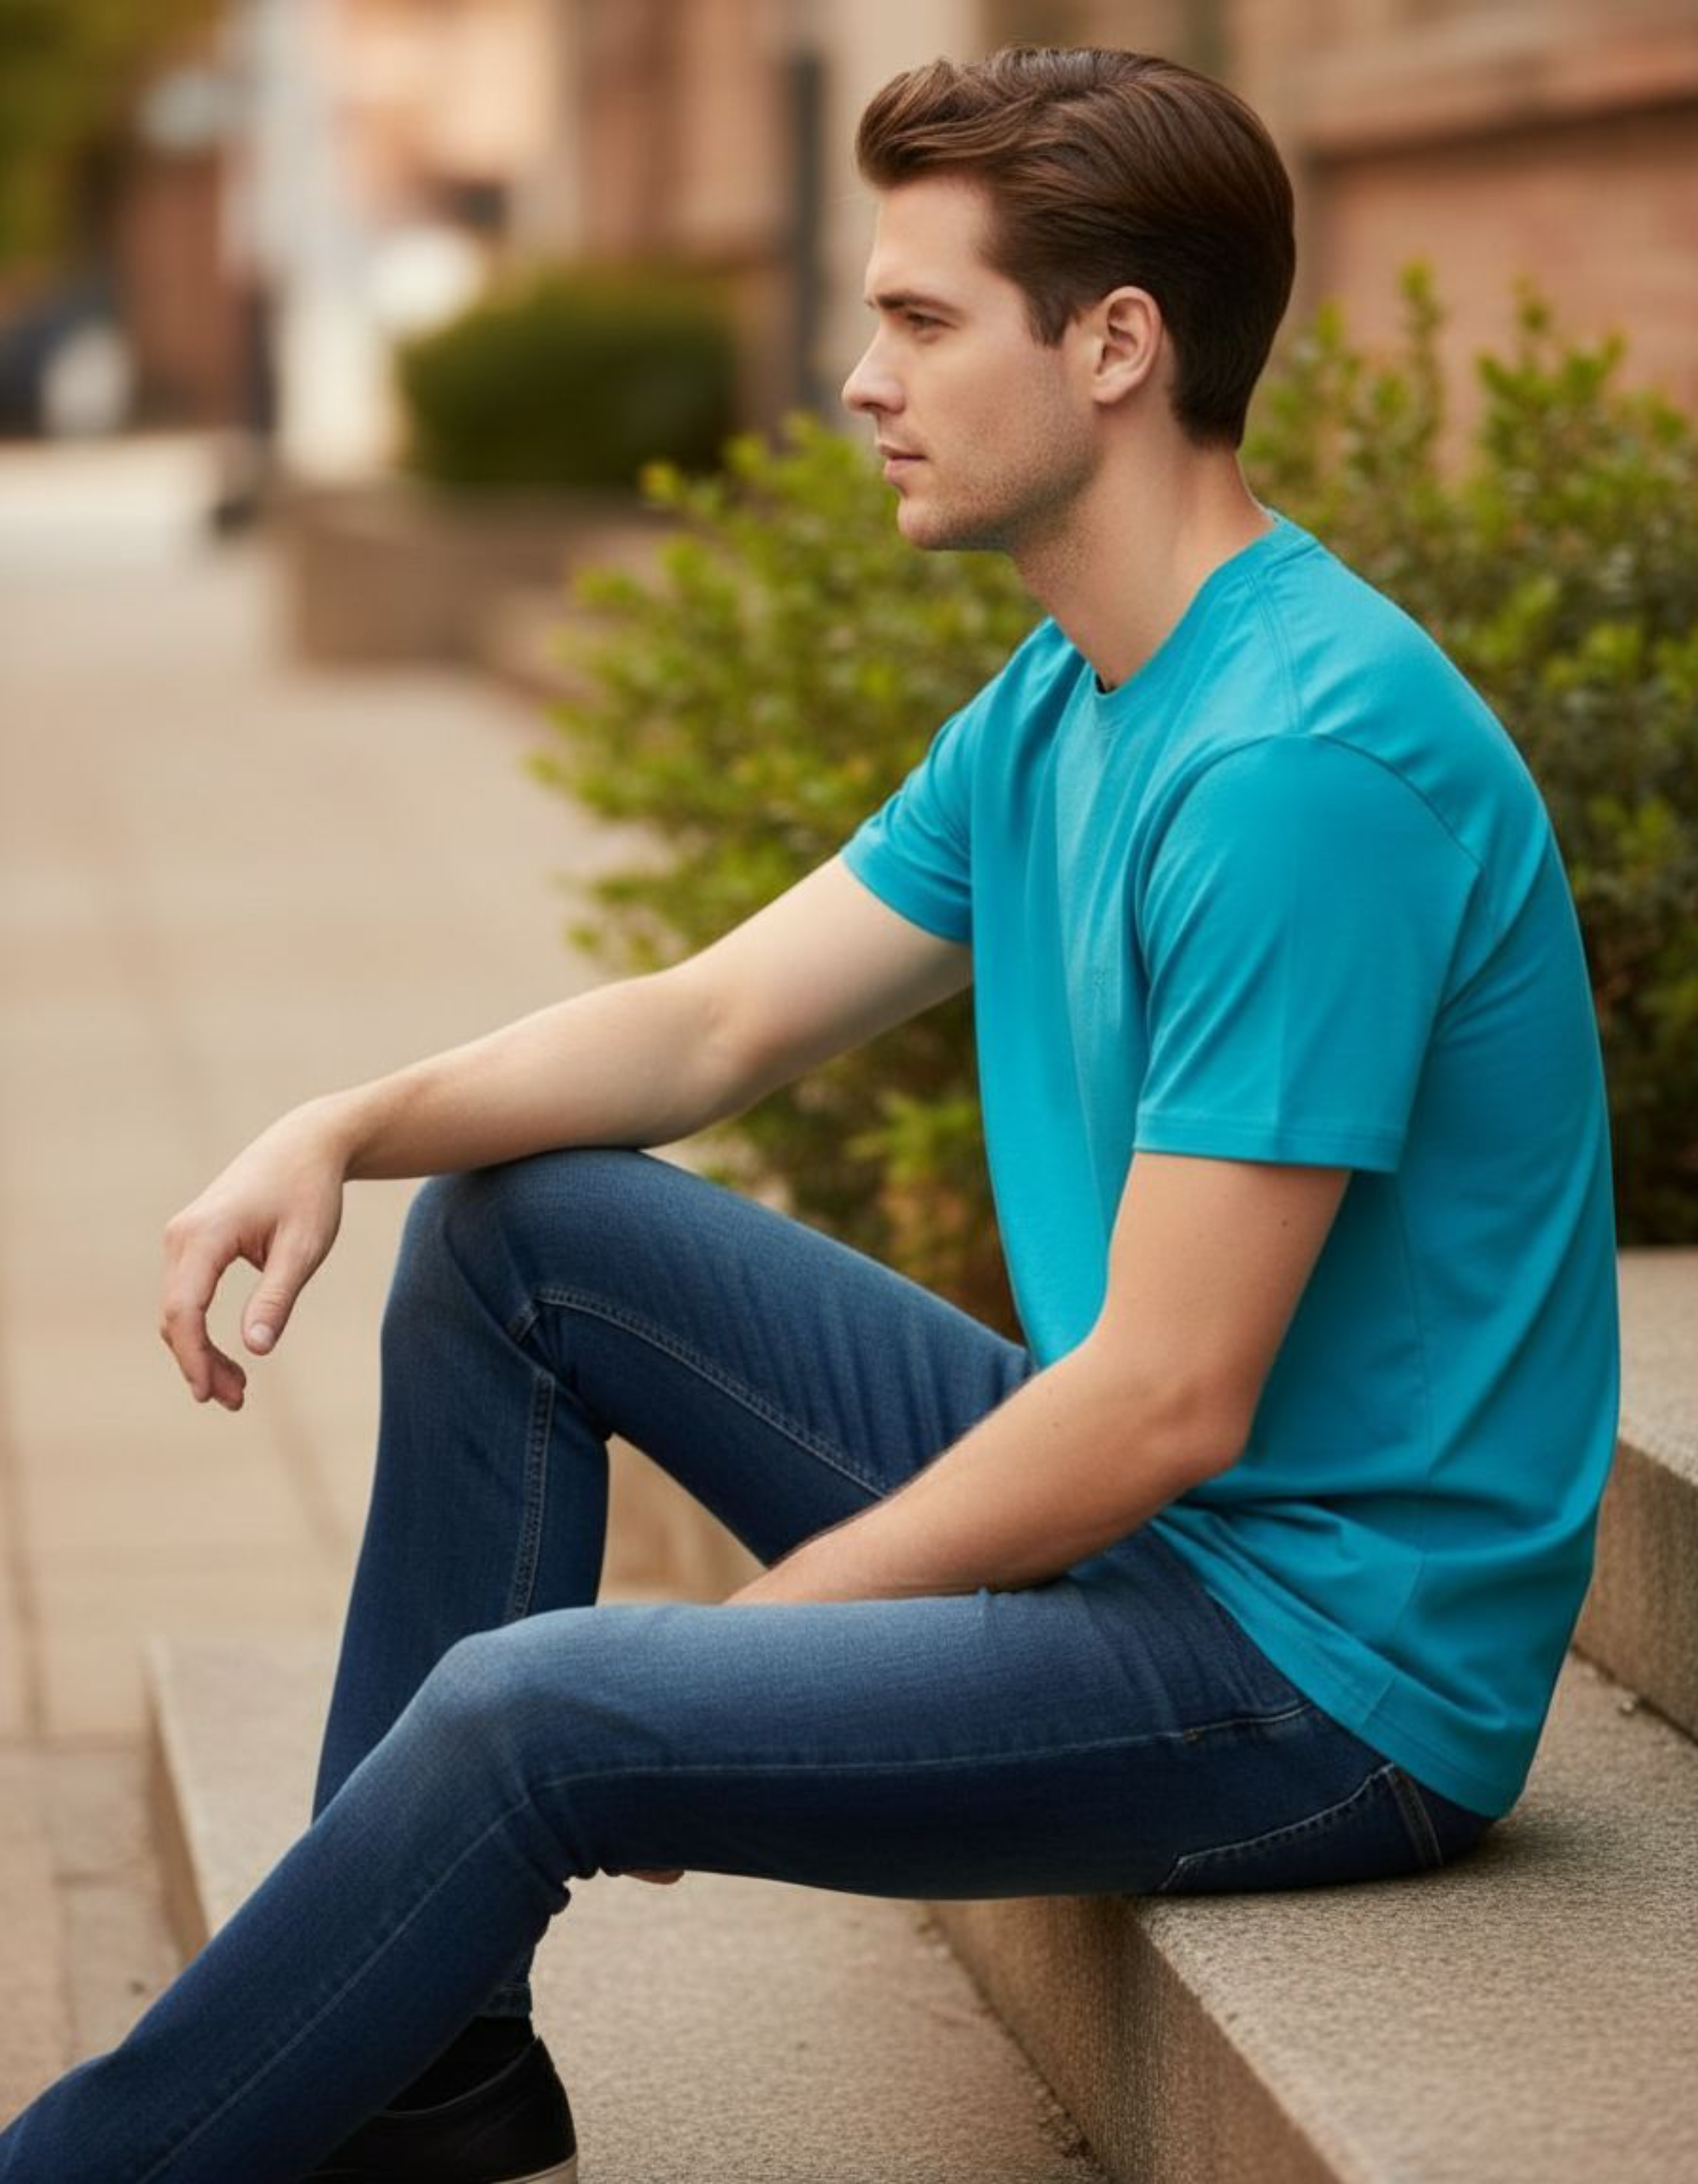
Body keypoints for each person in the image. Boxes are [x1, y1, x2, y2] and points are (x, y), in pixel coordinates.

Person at [0, 44, 1619, 2184]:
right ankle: (420, 2068)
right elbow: (713, 1022)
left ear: (1116, 346)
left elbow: (1164, 1402)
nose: (862, 381)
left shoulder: (1296, 771)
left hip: (1324, 1676)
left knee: (537, 1710)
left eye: (924, 322)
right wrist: (343, 1122)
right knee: (514, 1234)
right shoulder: (1077, 692)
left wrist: (751, 1652)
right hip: (1165, 1542)